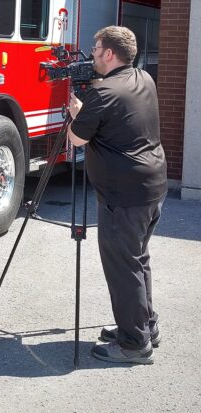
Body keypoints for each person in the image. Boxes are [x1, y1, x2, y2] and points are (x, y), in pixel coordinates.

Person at [67, 25, 167, 365]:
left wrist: (77, 113)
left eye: (96, 48)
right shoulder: (144, 78)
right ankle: (144, 326)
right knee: (137, 260)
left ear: (109, 53)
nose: (92, 54)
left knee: (124, 267)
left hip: (123, 196)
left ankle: (134, 343)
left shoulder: (103, 93)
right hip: (151, 186)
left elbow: (77, 138)